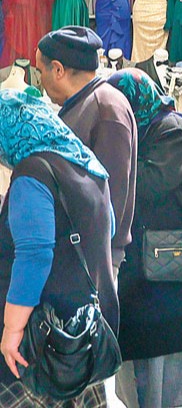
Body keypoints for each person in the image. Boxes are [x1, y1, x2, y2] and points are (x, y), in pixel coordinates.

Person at [105, 70, 182, 408]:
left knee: (168, 354)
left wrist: (112, 161)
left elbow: (151, 184)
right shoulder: (136, 131)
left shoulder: (171, 128)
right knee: (144, 352)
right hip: (144, 262)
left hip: (172, 258)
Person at [0, 89, 117, 408]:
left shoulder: (32, 174)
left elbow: (35, 255)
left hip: (40, 340)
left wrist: (12, 329)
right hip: (80, 335)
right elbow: (108, 228)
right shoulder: (85, 164)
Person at [35, 26, 138, 271]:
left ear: (58, 70)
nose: (39, 80)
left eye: (40, 71)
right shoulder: (83, 104)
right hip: (77, 255)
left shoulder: (105, 109)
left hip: (93, 262)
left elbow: (110, 200)